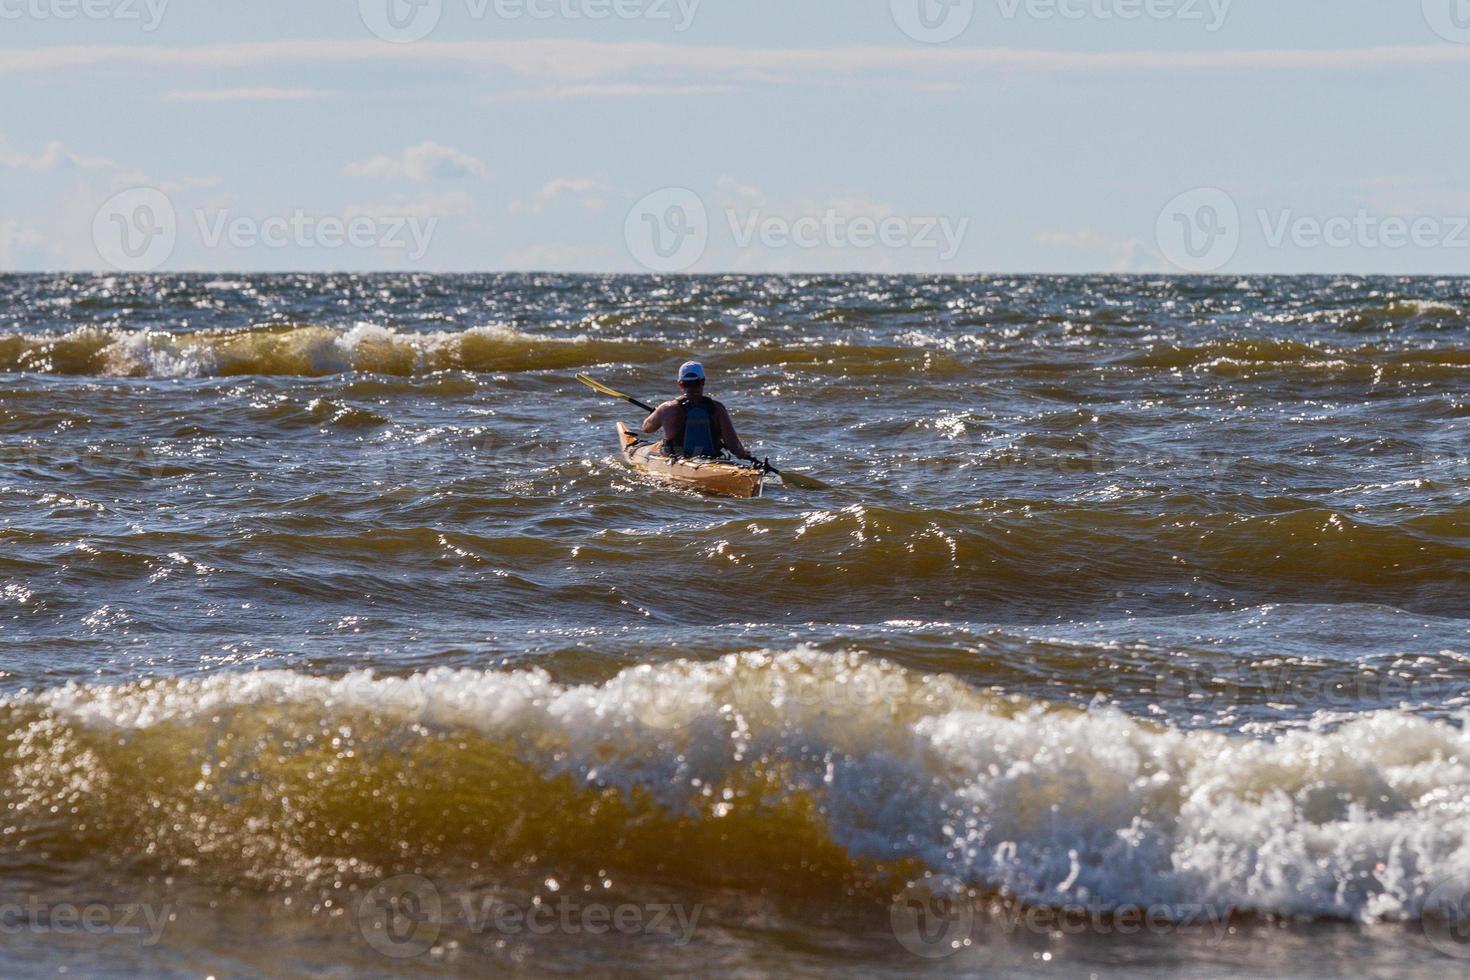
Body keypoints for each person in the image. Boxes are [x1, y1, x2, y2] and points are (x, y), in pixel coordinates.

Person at [642, 361, 755, 461]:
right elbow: (734, 447)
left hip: (679, 462)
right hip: (710, 461)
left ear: (680, 384)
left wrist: (656, 414)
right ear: (703, 381)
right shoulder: (717, 408)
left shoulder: (667, 409)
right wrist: (744, 454)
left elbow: (647, 428)